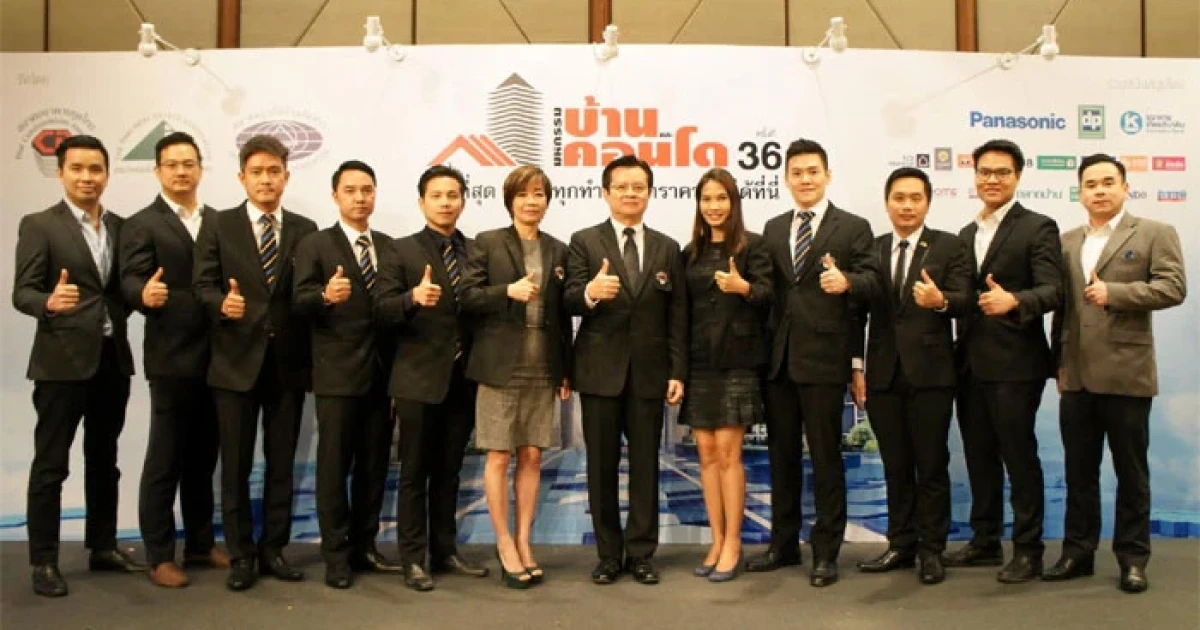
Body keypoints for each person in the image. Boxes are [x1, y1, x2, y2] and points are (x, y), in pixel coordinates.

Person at [1046, 154, 1185, 593]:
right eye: (1091, 184)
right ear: (1080, 192)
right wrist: (1057, 364)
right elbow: (1062, 310)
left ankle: (1133, 558)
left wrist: (1116, 293)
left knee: (1131, 473)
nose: (1100, 190)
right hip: (1076, 376)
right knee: (1079, 473)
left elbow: (1173, 287)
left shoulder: (1154, 233)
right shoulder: (1066, 241)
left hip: (1128, 373)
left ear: (1125, 187)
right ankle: (1077, 552)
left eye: (1108, 182)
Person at [12, 134, 143, 598]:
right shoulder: (40, 225)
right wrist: (48, 302)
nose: (87, 177)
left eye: (95, 169)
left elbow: (123, 291)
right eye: (78, 169)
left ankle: (102, 547)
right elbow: (22, 292)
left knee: (104, 461)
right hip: (60, 363)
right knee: (51, 465)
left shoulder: (123, 227)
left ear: (107, 173)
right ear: (61, 172)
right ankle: (44, 560)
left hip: (112, 361)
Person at [746, 138, 880, 587]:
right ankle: (782, 545)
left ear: (827, 175)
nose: (805, 179)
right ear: (786, 179)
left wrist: (848, 281)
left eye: (812, 171)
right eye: (797, 173)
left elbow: (874, 283)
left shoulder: (853, 227)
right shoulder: (773, 227)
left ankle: (825, 552)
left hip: (825, 361)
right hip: (779, 362)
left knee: (825, 460)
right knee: (780, 458)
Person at [193, 134, 318, 591]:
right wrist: (219, 305)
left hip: (287, 365)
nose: (266, 179)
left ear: (286, 176)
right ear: (242, 177)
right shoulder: (218, 224)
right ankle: (242, 554)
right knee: (236, 466)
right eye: (257, 172)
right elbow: (202, 284)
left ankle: (274, 549)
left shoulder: (305, 229)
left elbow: (307, 292)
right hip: (233, 364)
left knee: (282, 464)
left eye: (274, 171)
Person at [944, 139, 1063, 584]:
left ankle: (1029, 550)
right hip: (969, 364)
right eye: (985, 172)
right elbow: (962, 297)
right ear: (974, 175)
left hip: (1016, 364)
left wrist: (1015, 301)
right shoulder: (965, 234)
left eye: (1002, 172)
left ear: (1017, 176)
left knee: (1018, 456)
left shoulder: (1037, 227)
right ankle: (985, 540)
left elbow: (1054, 290)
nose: (992, 179)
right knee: (979, 456)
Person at [565, 154, 687, 586]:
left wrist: (677, 371)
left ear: (649, 193)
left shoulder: (667, 247)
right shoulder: (584, 241)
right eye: (622, 187)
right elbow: (567, 298)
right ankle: (607, 555)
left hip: (650, 375)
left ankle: (641, 554)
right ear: (606, 192)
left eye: (639, 187)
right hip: (599, 372)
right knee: (600, 468)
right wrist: (590, 293)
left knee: (645, 467)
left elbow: (677, 316)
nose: (630, 194)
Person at [853, 167, 972, 585]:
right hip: (883, 374)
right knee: (895, 465)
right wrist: (857, 367)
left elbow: (966, 298)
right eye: (899, 198)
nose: (907, 206)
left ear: (928, 202)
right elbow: (857, 312)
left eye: (915, 198)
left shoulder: (949, 245)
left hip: (931, 374)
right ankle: (900, 544)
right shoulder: (873, 248)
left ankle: (931, 549)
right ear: (887, 203)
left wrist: (941, 300)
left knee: (931, 464)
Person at [119, 132, 227, 588]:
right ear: (157, 171)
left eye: (188, 163)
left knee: (204, 457)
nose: (181, 171)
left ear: (200, 168)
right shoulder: (142, 223)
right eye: (171, 164)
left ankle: (200, 543)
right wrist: (141, 295)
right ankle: (159, 555)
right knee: (165, 459)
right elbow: (129, 279)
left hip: (220, 358)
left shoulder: (220, 221)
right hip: (171, 356)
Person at [375, 164, 489, 592]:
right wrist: (412, 298)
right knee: (414, 473)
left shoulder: (477, 251)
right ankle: (412, 559)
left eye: (453, 195)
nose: (446, 203)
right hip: (417, 379)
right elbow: (380, 310)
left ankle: (445, 551)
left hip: (465, 377)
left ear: (463, 201)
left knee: (449, 472)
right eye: (437, 195)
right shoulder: (400, 250)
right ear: (422, 202)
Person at [460, 165, 572, 589]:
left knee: (532, 456)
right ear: (510, 200)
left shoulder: (558, 249)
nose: (531, 201)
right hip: (499, 366)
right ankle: (503, 542)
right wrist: (506, 291)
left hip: (542, 366)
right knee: (498, 456)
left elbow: (563, 318)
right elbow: (467, 297)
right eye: (523, 194)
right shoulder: (487, 242)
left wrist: (564, 369)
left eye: (538, 194)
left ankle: (524, 540)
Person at [293, 160, 401, 589]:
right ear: (335, 195)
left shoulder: (390, 247)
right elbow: (297, 300)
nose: (360, 197)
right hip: (336, 374)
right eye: (351, 190)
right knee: (334, 467)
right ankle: (335, 554)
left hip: (382, 375)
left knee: (374, 466)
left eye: (367, 190)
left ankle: (365, 546)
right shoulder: (315, 244)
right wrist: (324, 295)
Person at [678, 168, 771, 583]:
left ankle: (734, 542)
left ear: (733, 203)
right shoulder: (689, 253)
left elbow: (770, 296)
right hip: (699, 365)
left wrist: (744, 288)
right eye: (707, 199)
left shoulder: (754, 247)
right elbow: (681, 315)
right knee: (706, 455)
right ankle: (715, 540)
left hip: (737, 363)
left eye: (721, 198)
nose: (714, 206)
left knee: (730, 455)